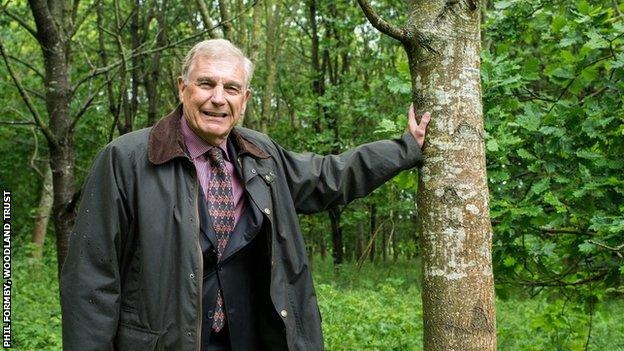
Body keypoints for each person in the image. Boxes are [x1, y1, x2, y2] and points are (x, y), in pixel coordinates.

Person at [60, 39, 431, 351]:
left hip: (250, 338)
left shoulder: (261, 155)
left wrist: (404, 150)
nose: (218, 98)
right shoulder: (126, 159)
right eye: (206, 84)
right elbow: (92, 279)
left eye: (231, 88)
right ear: (182, 87)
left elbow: (328, 177)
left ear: (245, 98)